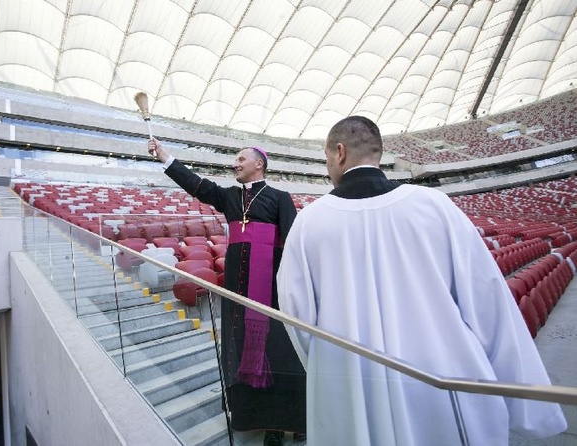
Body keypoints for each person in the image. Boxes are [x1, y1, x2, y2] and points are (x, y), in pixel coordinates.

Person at [277, 116, 567, 445]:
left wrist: (327, 368)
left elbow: (297, 317)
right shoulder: (435, 205)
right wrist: (525, 401)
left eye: (327, 158)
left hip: (354, 384)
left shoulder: (309, 222)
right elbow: (486, 297)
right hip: (438, 376)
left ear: (339, 153)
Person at [148, 137, 306, 445]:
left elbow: (294, 246)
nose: (235, 163)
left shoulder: (280, 197)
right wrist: (164, 155)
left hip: (270, 292)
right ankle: (248, 414)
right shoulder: (231, 196)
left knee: (276, 353)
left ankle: (282, 421)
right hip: (236, 290)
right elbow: (195, 184)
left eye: (240, 159)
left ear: (258, 164)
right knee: (238, 348)